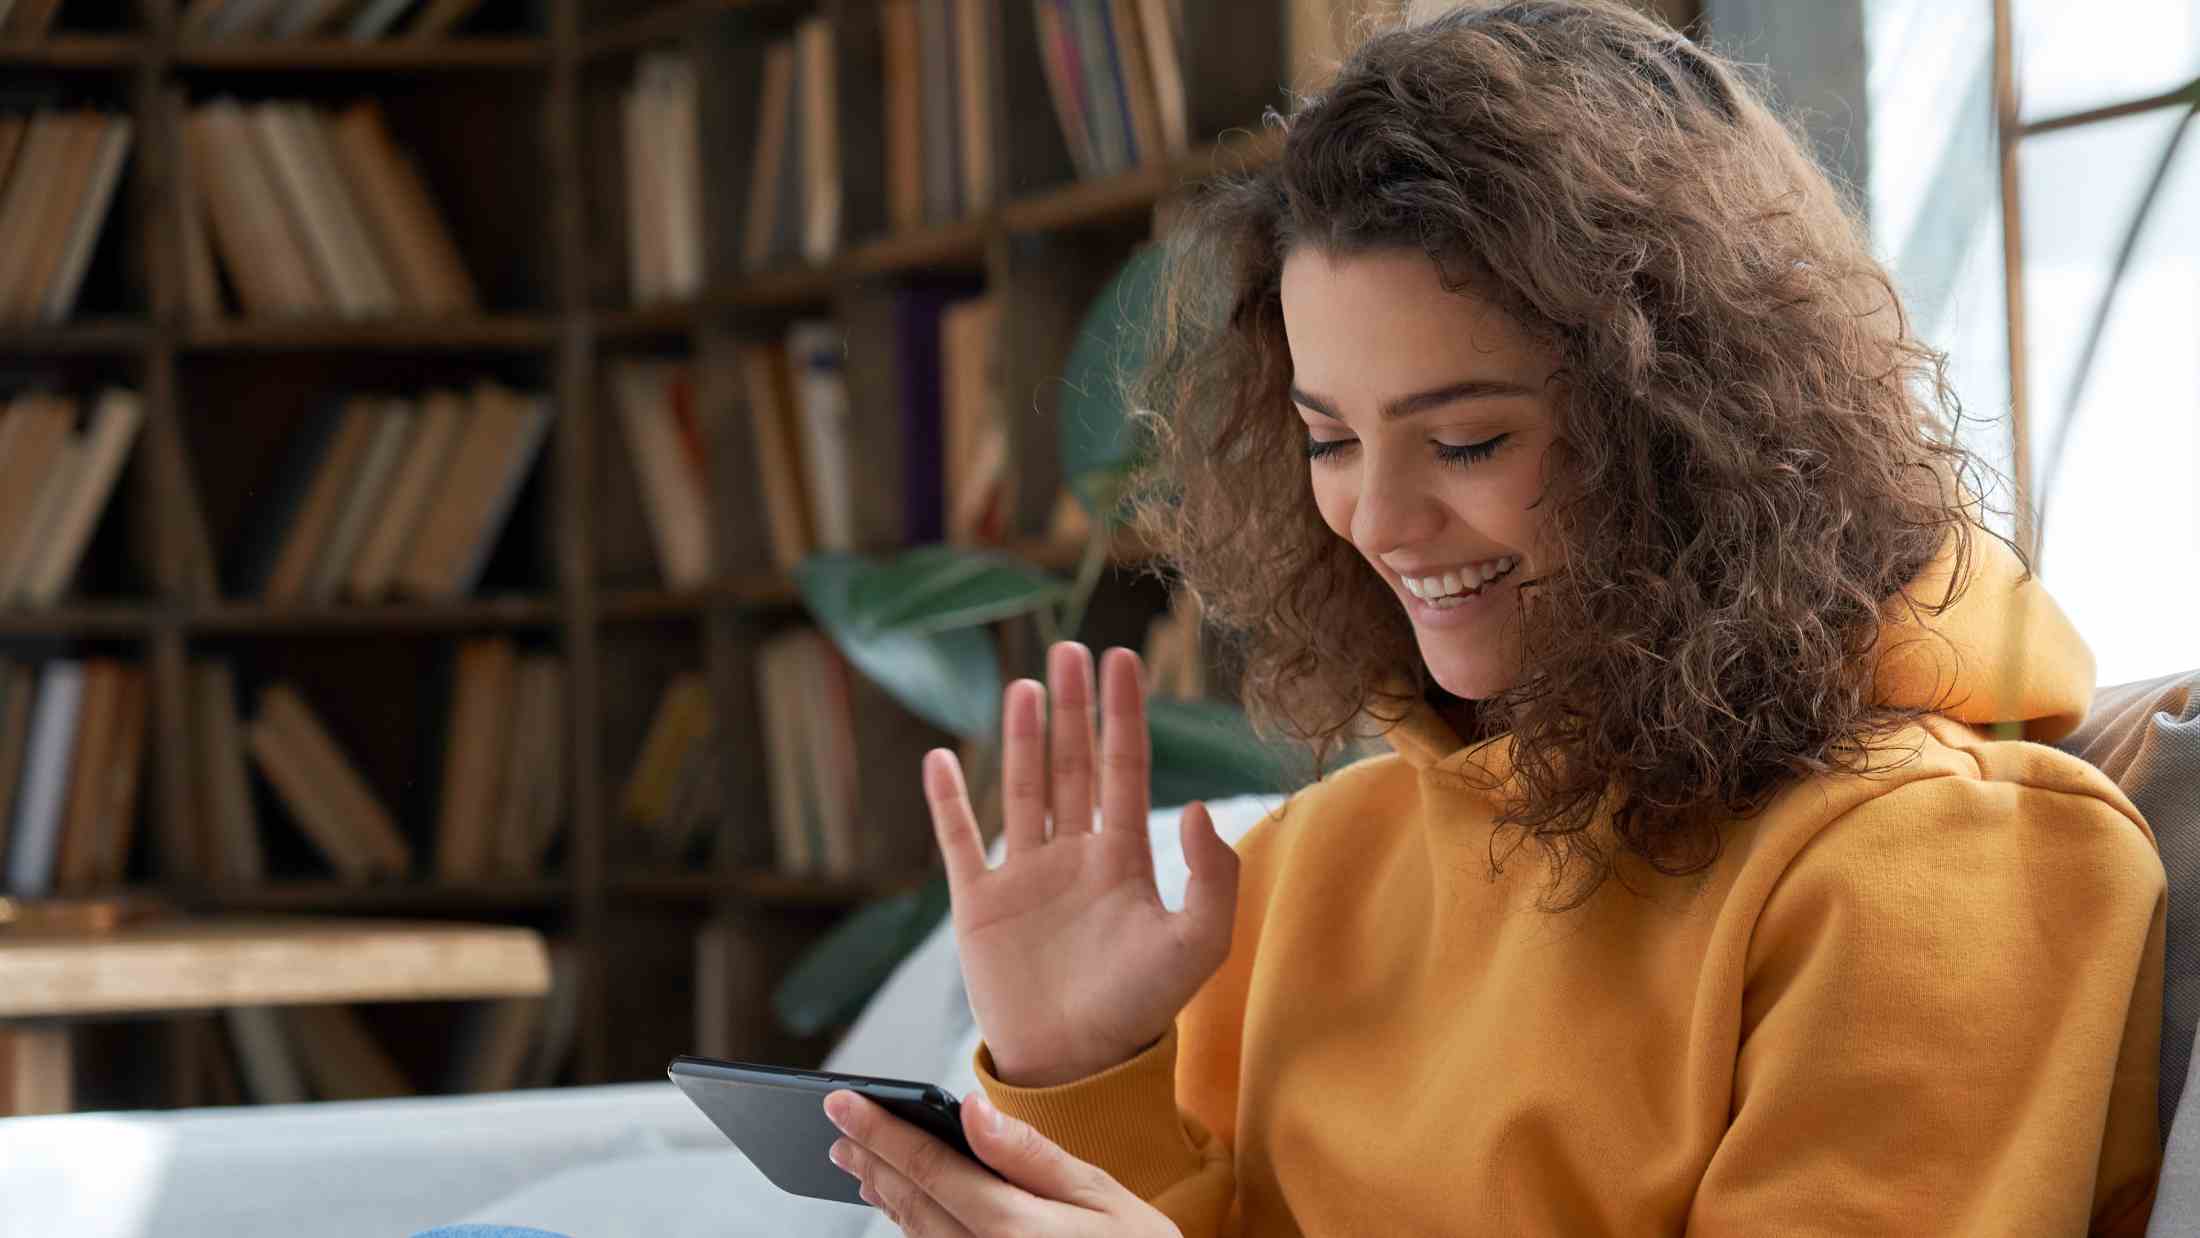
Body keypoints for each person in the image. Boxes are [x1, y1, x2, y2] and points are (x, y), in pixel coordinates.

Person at [819, 2, 2168, 1234]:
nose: (1382, 521)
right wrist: (1078, 1074)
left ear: (1690, 429)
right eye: (1329, 437)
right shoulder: (1314, 864)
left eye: (1465, 440)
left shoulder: (1950, 868)